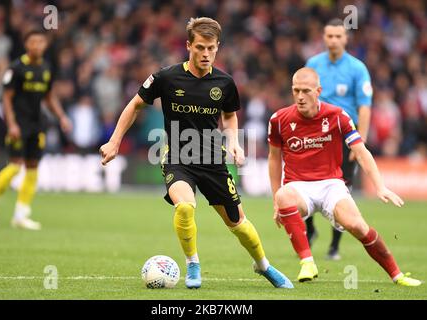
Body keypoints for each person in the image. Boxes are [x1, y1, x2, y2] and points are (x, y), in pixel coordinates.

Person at [100, 17, 293, 289]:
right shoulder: (165, 77)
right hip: (178, 157)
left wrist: (234, 142)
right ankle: (193, 263)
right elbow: (134, 106)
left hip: (212, 160)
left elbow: (229, 116)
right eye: (200, 47)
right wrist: (114, 141)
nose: (205, 54)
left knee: (238, 224)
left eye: (211, 48)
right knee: (185, 206)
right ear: (189, 46)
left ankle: (263, 265)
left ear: (217, 48)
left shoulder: (225, 83)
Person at [267, 67, 421, 286]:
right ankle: (307, 262)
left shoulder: (337, 116)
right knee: (283, 196)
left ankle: (397, 275)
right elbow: (274, 159)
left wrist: (380, 187)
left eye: (306, 91)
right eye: (296, 91)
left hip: (331, 185)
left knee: (357, 226)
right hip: (298, 187)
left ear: (318, 90)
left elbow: (360, 151)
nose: (300, 97)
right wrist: (275, 200)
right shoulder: (279, 119)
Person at [0, 30, 72, 230]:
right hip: (19, 123)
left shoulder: (46, 68)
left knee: (32, 170)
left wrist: (62, 117)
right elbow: (6, 98)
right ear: (26, 44)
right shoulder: (16, 68)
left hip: (37, 124)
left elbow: (48, 97)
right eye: (33, 42)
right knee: (15, 166)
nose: (37, 45)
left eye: (41, 42)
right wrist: (11, 124)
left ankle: (20, 215)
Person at [304, 18, 373, 260]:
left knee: (342, 189)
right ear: (324, 38)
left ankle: (334, 246)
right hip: (314, 133)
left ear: (345, 38)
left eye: (338, 36)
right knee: (305, 182)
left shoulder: (357, 68)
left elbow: (364, 107)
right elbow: (302, 98)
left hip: (344, 135)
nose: (333, 40)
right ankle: (310, 229)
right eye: (329, 36)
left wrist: (360, 142)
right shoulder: (313, 64)